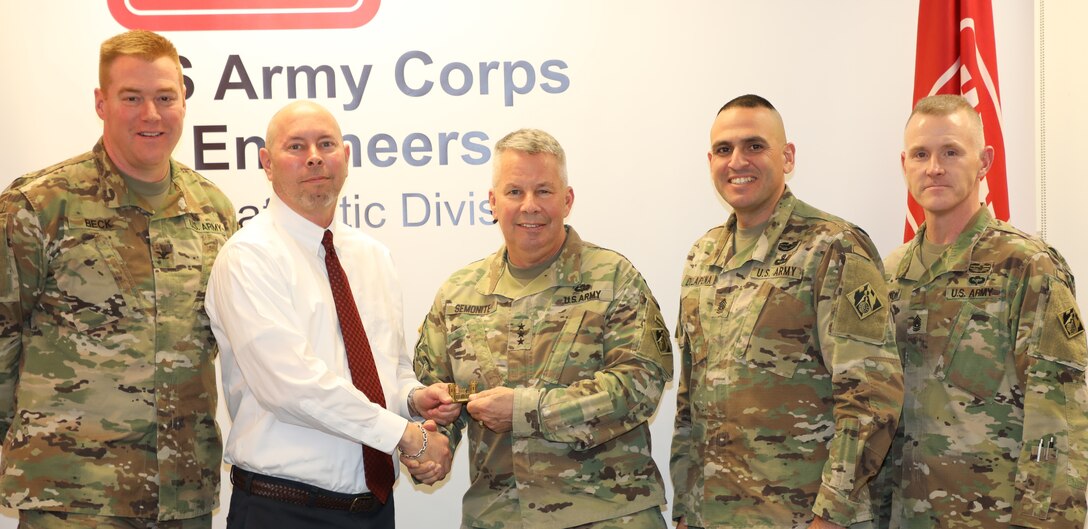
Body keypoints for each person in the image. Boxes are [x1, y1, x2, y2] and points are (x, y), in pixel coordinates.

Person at [0, 29, 235, 528]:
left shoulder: (212, 211)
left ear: (183, 101)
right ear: (101, 103)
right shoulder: (38, 206)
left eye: (165, 97)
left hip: (183, 494)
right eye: (132, 97)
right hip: (71, 495)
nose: (151, 114)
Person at [205, 101, 457, 529]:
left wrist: (413, 400)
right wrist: (404, 435)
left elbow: (386, 370)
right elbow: (291, 388)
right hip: (281, 511)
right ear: (267, 163)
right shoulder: (249, 256)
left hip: (374, 511)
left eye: (326, 144)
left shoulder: (372, 256)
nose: (314, 157)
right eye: (296, 146)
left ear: (346, 157)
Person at [413, 128, 673, 528]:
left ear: (567, 201)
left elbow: (641, 385)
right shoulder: (457, 294)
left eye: (544, 191)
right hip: (497, 516)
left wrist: (526, 410)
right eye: (515, 192)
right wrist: (430, 445)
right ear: (493, 202)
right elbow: (436, 398)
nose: (529, 206)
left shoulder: (613, 278)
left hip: (608, 512)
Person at [670, 94, 904, 529]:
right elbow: (690, 399)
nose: (738, 160)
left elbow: (872, 395)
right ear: (711, 161)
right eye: (724, 149)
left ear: (787, 156)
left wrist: (831, 514)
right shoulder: (702, 257)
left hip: (801, 517)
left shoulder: (833, 247)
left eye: (754, 146)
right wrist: (685, 507)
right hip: (713, 515)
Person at [871, 94, 1088, 528]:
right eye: (921, 154)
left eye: (951, 151)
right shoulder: (889, 273)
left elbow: (1060, 415)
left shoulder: (1027, 266)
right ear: (904, 164)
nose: (934, 167)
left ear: (984, 160)